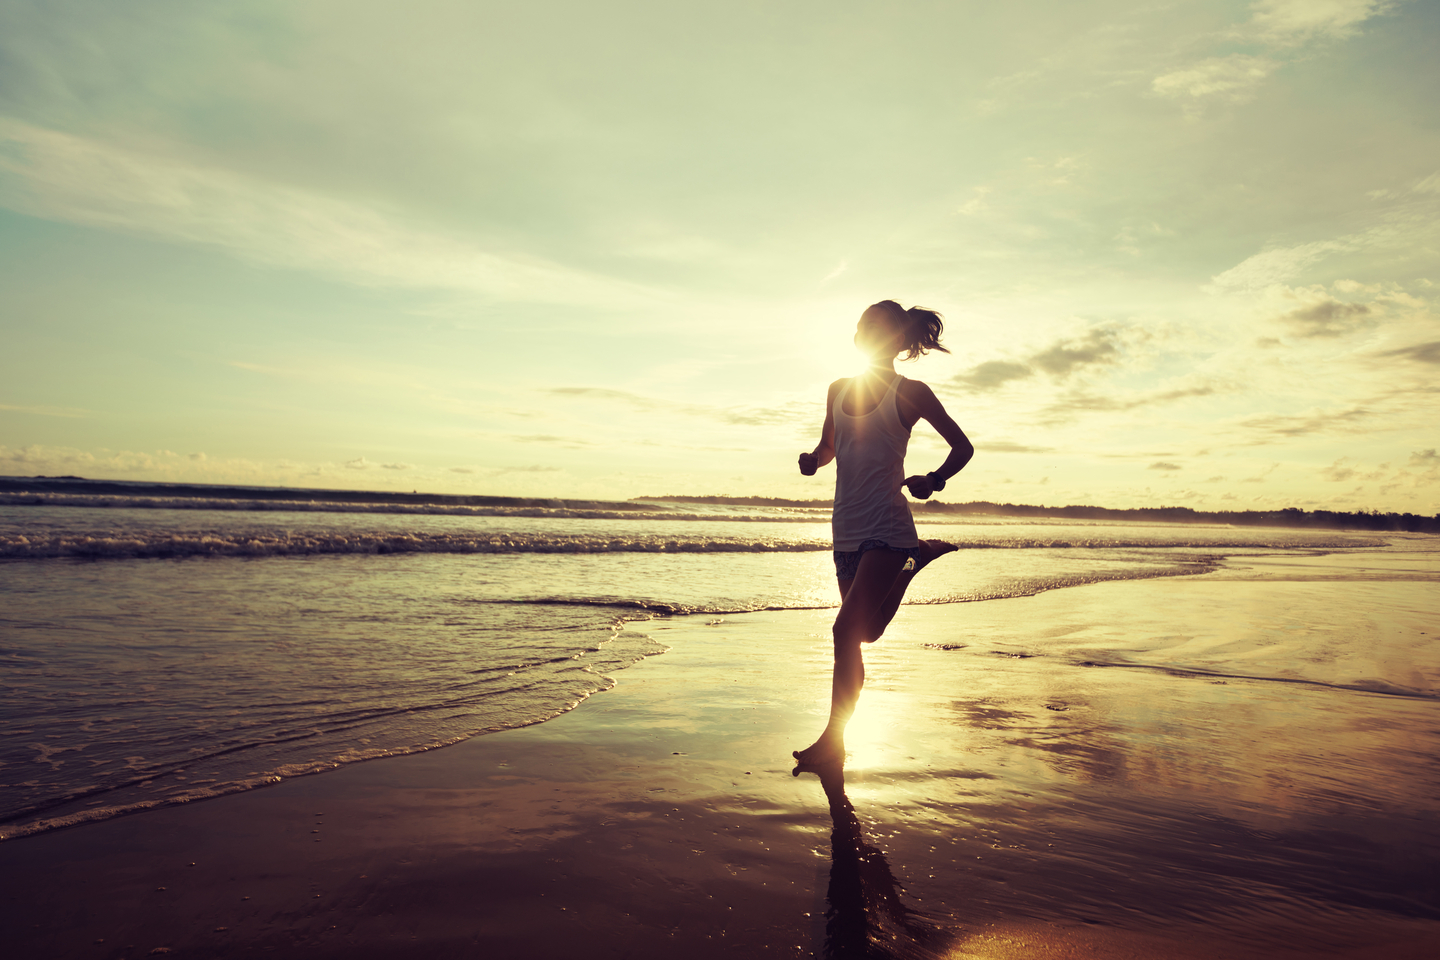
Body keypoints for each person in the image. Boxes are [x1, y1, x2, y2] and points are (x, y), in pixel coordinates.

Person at [792, 300, 974, 766]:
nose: (863, 330)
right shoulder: (837, 389)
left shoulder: (910, 392)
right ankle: (915, 563)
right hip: (846, 529)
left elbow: (962, 446)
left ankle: (833, 742)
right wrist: (814, 461)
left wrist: (933, 480)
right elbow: (830, 445)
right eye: (860, 324)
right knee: (864, 634)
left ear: (896, 339)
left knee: (841, 632)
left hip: (887, 527)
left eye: (873, 325)